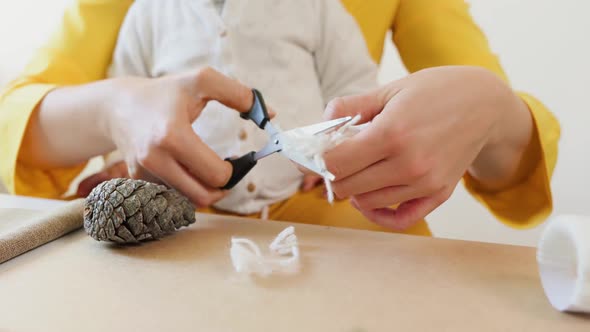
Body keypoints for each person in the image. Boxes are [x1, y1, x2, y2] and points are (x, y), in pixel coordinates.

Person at [0, 0, 559, 235]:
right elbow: (104, 86)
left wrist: (351, 136)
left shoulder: (318, 9)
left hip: (344, 236)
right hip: (183, 235)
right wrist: (117, 126)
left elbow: (354, 84)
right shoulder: (147, 11)